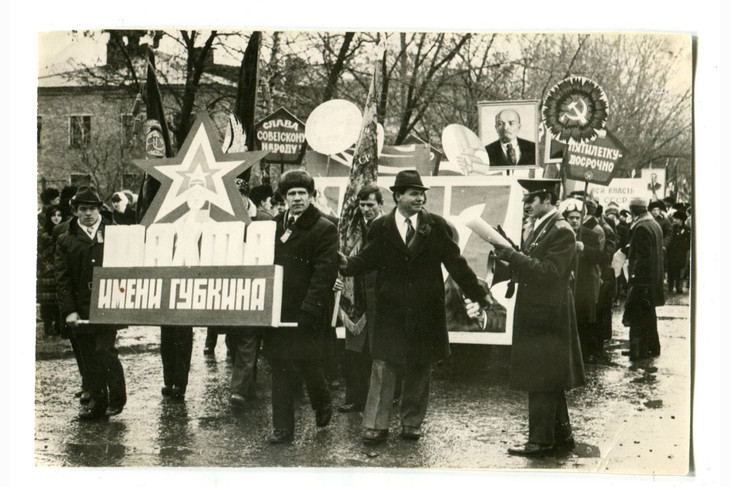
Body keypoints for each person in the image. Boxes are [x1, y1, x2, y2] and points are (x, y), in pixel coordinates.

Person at [340, 170, 492, 445]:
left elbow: (456, 263)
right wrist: (347, 265)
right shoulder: (380, 227)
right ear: (397, 196)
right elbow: (368, 258)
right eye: (413, 193)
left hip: (426, 311)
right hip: (391, 310)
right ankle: (376, 424)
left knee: (420, 366)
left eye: (421, 193)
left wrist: (479, 294)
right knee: (384, 365)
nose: (420, 198)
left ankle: (411, 423)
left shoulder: (436, 225)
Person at [486, 179, 585, 456]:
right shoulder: (546, 226)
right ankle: (561, 435)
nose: (526, 205)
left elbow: (550, 272)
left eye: (531, 199)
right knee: (549, 376)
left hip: (547, 313)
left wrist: (513, 256)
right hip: (541, 310)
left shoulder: (561, 230)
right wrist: (506, 254)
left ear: (548, 200)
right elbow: (533, 267)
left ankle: (540, 441)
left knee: (541, 376)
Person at [261, 169, 338, 444]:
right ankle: (282, 429)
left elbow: (324, 273)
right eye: (291, 194)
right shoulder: (272, 226)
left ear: (311, 196)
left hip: (308, 311)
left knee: (309, 365)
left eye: (302, 194)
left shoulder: (325, 228)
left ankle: (322, 402)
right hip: (278, 310)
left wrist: (311, 308)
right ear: (283, 197)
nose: (296, 199)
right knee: (280, 368)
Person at [54, 186, 127, 419]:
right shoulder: (66, 240)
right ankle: (97, 402)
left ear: (99, 210)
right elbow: (62, 279)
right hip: (81, 305)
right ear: (75, 211)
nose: (88, 214)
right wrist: (69, 311)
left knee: (105, 350)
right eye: (83, 209)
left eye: (92, 209)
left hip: (108, 302)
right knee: (88, 356)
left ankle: (117, 398)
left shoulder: (116, 234)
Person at [338, 185, 384, 414]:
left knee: (381, 351)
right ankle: (355, 398)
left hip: (381, 296)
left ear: (380, 205)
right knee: (355, 350)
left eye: (370, 205)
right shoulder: (352, 230)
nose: (366, 209)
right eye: (362, 205)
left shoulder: (388, 226)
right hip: (356, 294)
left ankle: (384, 398)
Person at [622, 196, 665, 361]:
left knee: (637, 316)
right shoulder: (654, 224)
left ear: (633, 211)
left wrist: (633, 277)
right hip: (652, 279)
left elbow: (643, 257)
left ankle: (637, 351)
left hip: (642, 280)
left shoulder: (641, 227)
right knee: (648, 315)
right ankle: (652, 348)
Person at [562, 199, 603, 363]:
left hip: (584, 282)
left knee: (583, 319)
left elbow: (601, 257)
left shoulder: (590, 235)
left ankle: (584, 354)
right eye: (571, 217)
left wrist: (584, 248)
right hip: (566, 281)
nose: (574, 221)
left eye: (577, 218)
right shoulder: (561, 232)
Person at [37, 205, 64, 337]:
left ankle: (59, 326)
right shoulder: (43, 233)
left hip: (59, 269)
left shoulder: (64, 231)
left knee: (58, 299)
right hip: (46, 271)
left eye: (59, 215)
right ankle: (48, 327)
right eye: (54, 215)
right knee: (47, 302)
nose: (57, 218)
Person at [666, 210, 690, 293]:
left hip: (682, 253)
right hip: (672, 253)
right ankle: (670, 287)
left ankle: (679, 288)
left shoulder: (687, 229)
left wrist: (685, 248)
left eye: (676, 219)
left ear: (681, 220)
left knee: (680, 270)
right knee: (671, 270)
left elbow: (689, 242)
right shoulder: (672, 228)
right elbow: (670, 239)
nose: (674, 220)